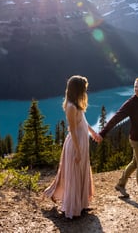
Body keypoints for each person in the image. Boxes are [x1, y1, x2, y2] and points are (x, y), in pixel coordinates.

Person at [43, 75, 100, 219]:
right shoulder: (70, 106)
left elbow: (83, 122)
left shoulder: (77, 104)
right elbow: (73, 130)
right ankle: (72, 206)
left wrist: (93, 133)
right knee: (73, 174)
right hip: (75, 144)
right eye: (84, 89)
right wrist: (78, 150)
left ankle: (81, 204)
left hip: (82, 142)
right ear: (78, 89)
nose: (85, 91)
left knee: (81, 172)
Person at [97, 77, 138, 199]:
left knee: (135, 163)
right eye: (135, 86)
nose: (137, 89)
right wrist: (103, 133)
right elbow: (116, 118)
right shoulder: (131, 103)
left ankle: (121, 184)